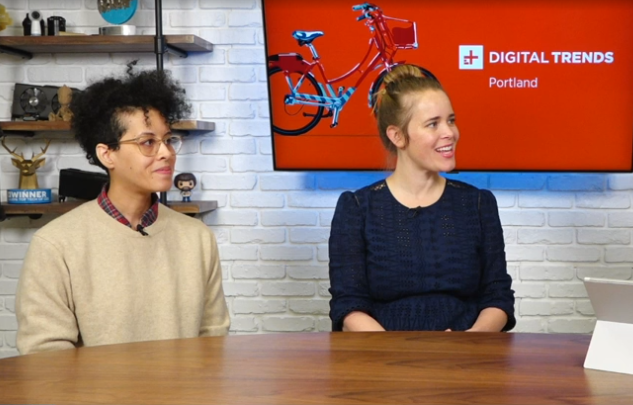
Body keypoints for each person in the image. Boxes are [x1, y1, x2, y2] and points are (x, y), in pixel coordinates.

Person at [15, 67, 230, 354]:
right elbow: (47, 361)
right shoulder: (56, 244)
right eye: (148, 143)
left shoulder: (198, 238)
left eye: (168, 139)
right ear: (107, 154)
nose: (166, 152)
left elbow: (213, 345)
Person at [328, 65, 515, 332]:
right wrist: (396, 353)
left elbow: (497, 297)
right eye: (433, 124)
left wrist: (469, 343)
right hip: (383, 361)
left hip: (468, 360)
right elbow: (348, 307)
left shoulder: (478, 204)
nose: (450, 132)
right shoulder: (357, 208)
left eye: (451, 120)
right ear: (397, 136)